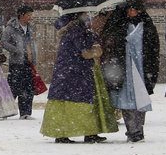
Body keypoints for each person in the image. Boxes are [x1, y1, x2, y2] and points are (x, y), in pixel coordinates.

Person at [40, 13, 118, 143]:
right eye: (86, 14)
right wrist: (96, 50)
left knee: (73, 101)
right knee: (78, 102)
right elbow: (85, 53)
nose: (89, 17)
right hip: (75, 72)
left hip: (72, 72)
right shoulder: (76, 31)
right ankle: (74, 133)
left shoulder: (79, 30)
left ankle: (79, 132)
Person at [101, 0, 159, 142]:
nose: (132, 12)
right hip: (125, 67)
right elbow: (109, 41)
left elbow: (153, 49)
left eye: (135, 9)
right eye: (130, 9)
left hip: (141, 67)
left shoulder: (147, 26)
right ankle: (132, 131)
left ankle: (138, 130)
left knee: (140, 99)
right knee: (127, 100)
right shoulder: (119, 25)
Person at [2, 6, 38, 119]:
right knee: (14, 87)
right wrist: (17, 50)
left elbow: (32, 43)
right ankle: (5, 110)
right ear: (21, 15)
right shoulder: (11, 28)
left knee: (28, 88)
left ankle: (26, 113)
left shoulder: (31, 28)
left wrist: (33, 56)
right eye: (28, 15)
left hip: (29, 61)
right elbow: (4, 42)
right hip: (17, 62)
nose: (30, 17)